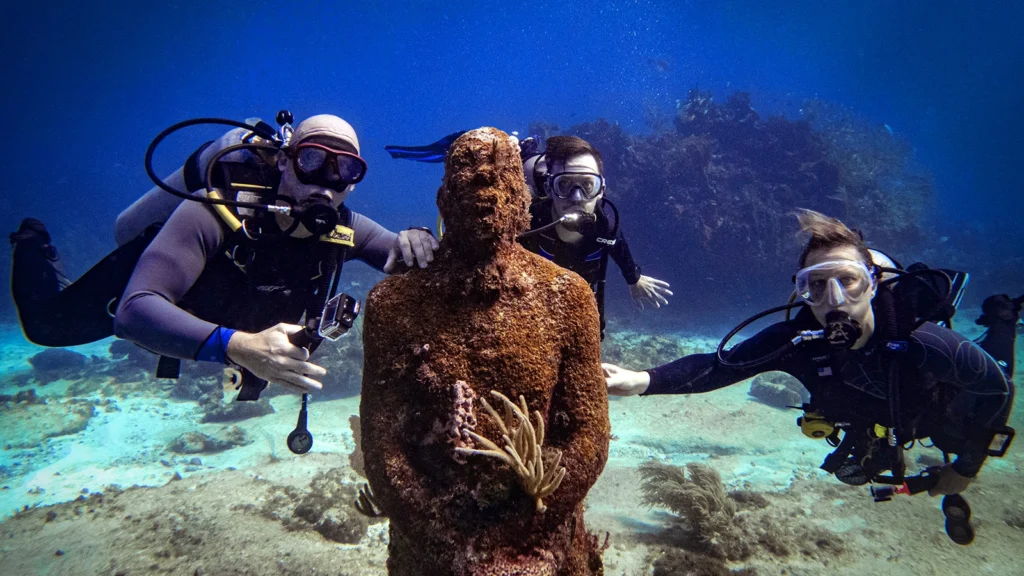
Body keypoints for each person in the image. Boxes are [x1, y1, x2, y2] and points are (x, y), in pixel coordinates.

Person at [604, 210, 1014, 504]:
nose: (834, 299)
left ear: (872, 286)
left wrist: (964, 469)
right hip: (871, 417)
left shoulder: (923, 341)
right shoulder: (799, 339)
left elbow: (996, 389)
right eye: (815, 286)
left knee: (993, 372)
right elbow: (719, 366)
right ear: (801, 291)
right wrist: (641, 380)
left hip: (935, 409)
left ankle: (1003, 316)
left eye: (848, 282)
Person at [10, 114, 438, 395]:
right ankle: (32, 243)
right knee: (46, 327)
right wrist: (239, 346)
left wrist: (417, 235)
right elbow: (134, 312)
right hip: (155, 287)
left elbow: (404, 254)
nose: (327, 181)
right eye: (312, 160)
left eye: (346, 169)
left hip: (222, 329)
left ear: (354, 183)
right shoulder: (215, 210)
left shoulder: (346, 230)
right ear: (286, 163)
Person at [518, 136, 672, 338]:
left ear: (601, 191)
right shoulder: (529, 220)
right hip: (531, 175)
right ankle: (527, 149)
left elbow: (618, 246)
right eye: (564, 184)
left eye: (587, 185)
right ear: (549, 188)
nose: (577, 198)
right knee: (525, 168)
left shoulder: (604, 227)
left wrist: (633, 278)